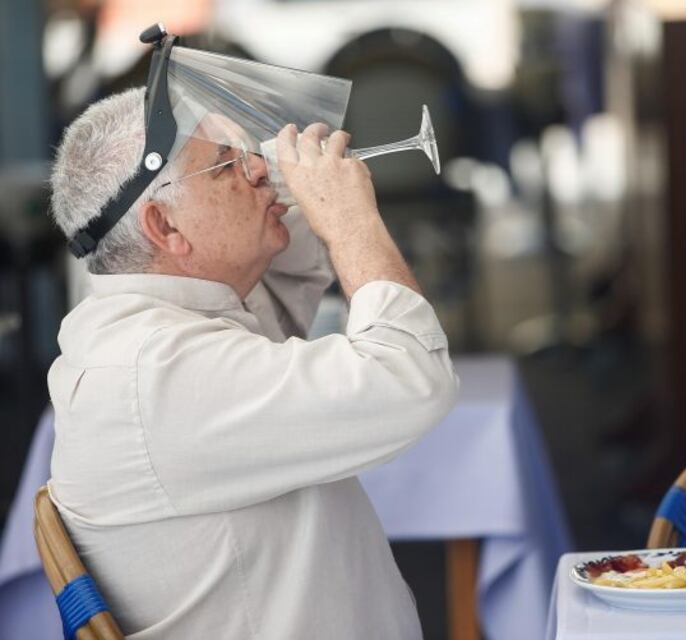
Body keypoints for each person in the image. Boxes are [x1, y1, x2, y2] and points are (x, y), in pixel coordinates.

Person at [46, 87, 458, 638]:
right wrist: (350, 219)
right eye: (225, 167)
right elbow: (411, 378)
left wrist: (283, 170)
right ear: (164, 229)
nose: (259, 169)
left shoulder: (171, 311)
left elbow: (289, 266)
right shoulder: (157, 374)